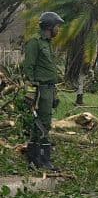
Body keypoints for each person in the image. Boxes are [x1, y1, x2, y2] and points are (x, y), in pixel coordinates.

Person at [23, 12, 64, 170]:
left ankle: (35, 158)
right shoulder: (35, 42)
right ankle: (41, 159)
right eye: (57, 26)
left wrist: (55, 92)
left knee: (43, 122)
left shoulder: (47, 43)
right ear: (49, 27)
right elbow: (29, 68)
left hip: (49, 89)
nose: (58, 30)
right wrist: (30, 92)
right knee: (42, 123)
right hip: (40, 90)